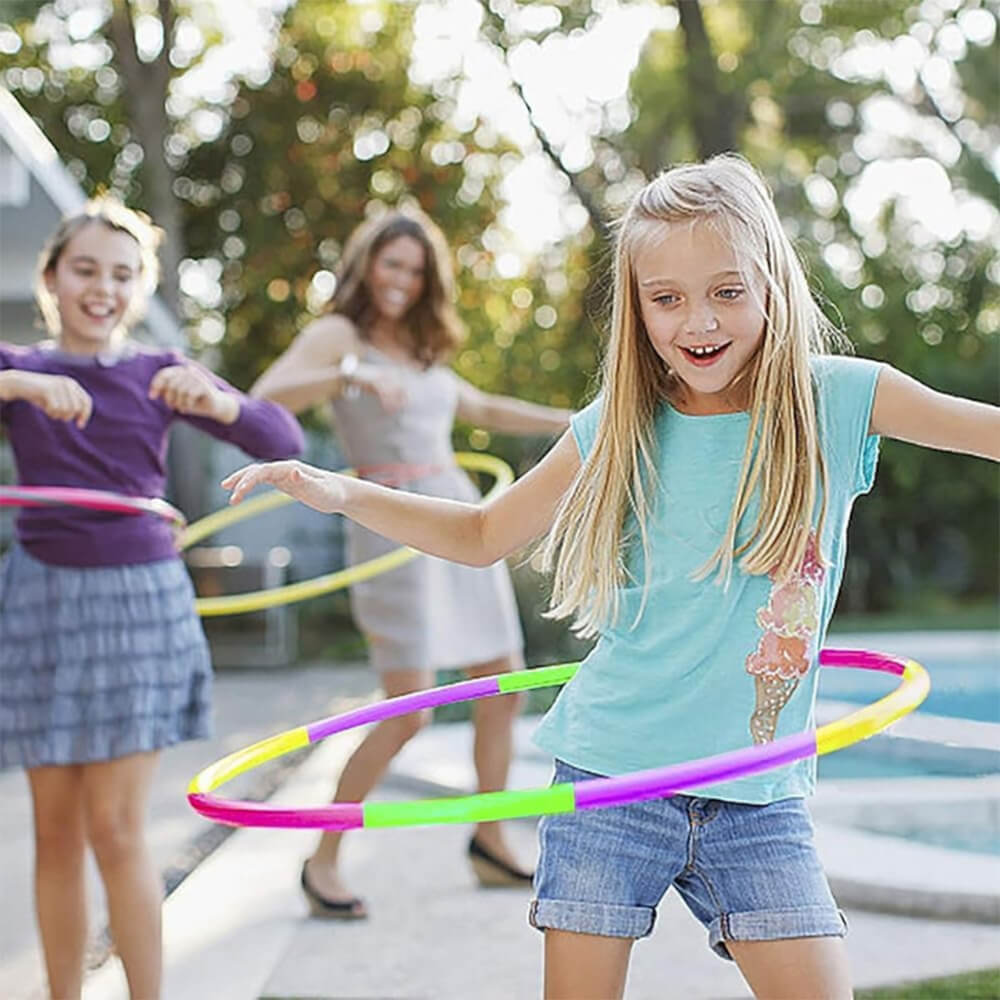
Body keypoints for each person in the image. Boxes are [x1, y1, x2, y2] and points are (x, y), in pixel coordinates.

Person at [223, 153, 1000, 999]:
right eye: (666, 298)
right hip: (611, 780)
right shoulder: (618, 426)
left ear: (773, 282)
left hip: (759, 796)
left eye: (727, 291)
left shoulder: (842, 399)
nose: (696, 320)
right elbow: (485, 532)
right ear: (636, 306)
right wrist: (340, 490)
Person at [0, 197, 304, 1000]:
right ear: (53, 278)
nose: (103, 288)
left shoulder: (159, 375)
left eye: (122, 275)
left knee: (118, 829)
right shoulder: (17, 369)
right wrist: (22, 385)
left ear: (140, 289)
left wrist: (222, 402)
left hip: (140, 603)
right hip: (43, 603)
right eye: (86, 270)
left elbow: (283, 443)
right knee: (56, 833)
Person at [250, 207, 572, 919]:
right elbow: (266, 400)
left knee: (501, 685)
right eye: (391, 263)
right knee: (407, 710)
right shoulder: (341, 333)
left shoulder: (423, 343)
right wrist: (351, 372)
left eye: (415, 269)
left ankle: (490, 838)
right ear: (366, 263)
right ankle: (323, 857)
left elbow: (481, 403)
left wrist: (575, 422)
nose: (401, 279)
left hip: (457, 514)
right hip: (388, 520)